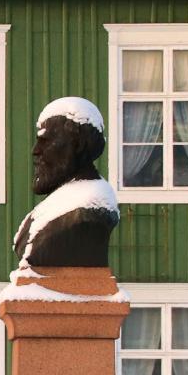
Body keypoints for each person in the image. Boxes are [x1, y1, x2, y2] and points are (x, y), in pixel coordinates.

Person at [12, 96, 120, 269]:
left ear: (77, 145)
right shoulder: (61, 202)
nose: (35, 151)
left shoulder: (89, 210)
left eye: (46, 141)